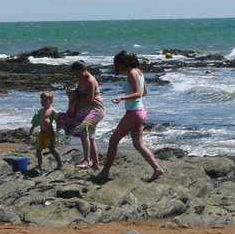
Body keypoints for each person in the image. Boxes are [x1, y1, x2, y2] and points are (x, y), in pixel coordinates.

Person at [94, 51, 164, 182]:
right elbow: (145, 92)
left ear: (123, 63)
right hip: (140, 111)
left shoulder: (132, 73)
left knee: (113, 140)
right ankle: (157, 169)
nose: (117, 67)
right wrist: (130, 96)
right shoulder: (138, 72)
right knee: (138, 144)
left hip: (134, 113)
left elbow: (138, 93)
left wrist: (122, 97)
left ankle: (105, 171)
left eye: (118, 64)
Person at [58, 60, 104, 170]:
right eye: (74, 74)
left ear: (84, 70)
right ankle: (96, 164)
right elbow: (79, 94)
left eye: (77, 73)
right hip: (84, 109)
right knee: (90, 137)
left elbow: (89, 99)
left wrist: (78, 98)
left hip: (96, 109)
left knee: (83, 131)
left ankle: (87, 160)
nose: (76, 76)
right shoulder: (81, 80)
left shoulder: (90, 80)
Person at [28, 91, 63, 171]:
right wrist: (30, 132)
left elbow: (59, 121)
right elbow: (35, 124)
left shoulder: (52, 111)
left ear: (51, 101)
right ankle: (40, 166)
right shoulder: (40, 111)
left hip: (49, 133)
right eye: (42, 101)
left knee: (51, 149)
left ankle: (59, 164)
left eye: (45, 101)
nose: (43, 103)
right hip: (41, 133)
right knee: (38, 149)